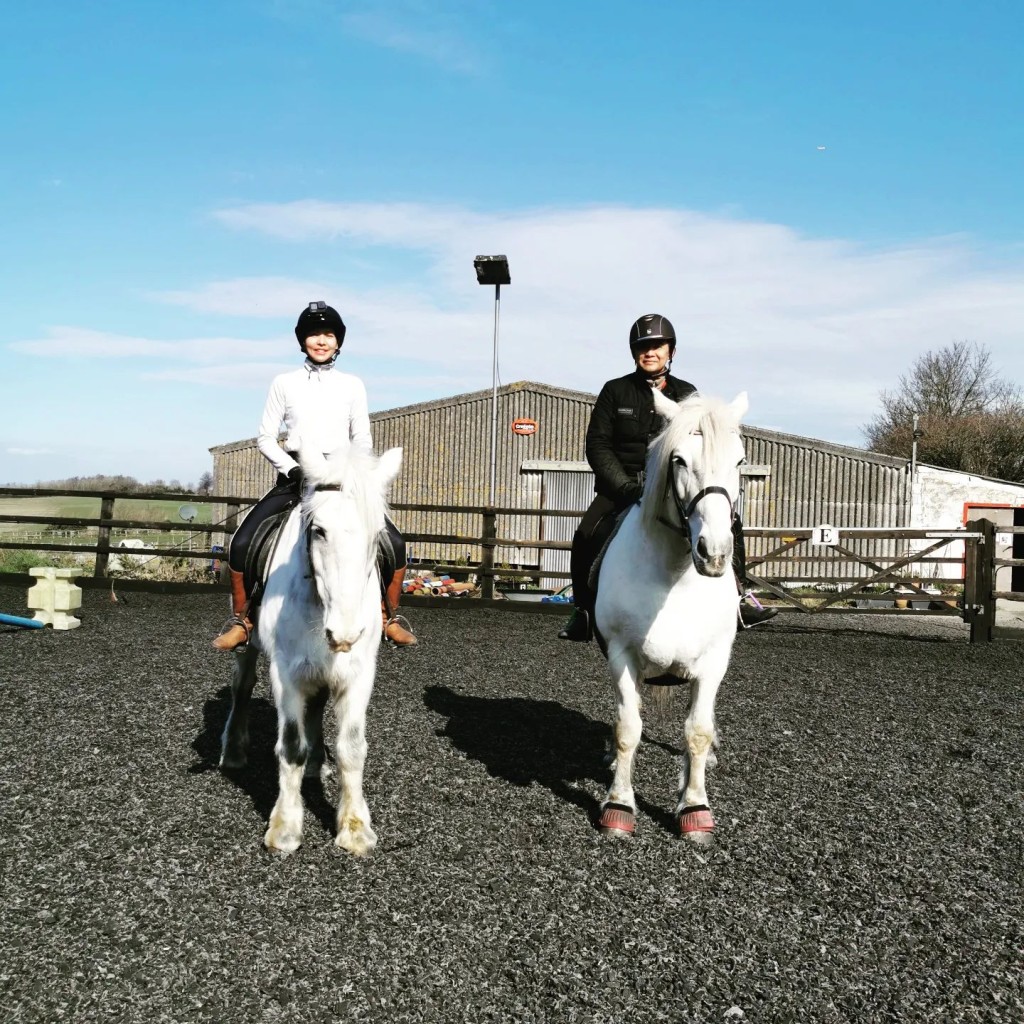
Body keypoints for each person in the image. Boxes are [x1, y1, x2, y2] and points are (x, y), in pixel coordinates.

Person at [558, 313, 777, 642]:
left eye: (657, 346)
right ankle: (584, 610)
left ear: (670, 351)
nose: (650, 352)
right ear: (634, 352)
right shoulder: (615, 392)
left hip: (676, 490)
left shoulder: (687, 394)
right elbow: (598, 445)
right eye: (643, 346)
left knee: (730, 523)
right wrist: (624, 486)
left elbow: (706, 443)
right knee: (586, 532)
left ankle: (740, 599)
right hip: (622, 490)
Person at [212, 301, 417, 650]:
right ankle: (243, 620)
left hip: (340, 477)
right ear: (302, 341)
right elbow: (264, 436)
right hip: (295, 474)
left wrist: (357, 474)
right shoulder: (284, 382)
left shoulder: (353, 385)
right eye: (313, 335)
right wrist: (290, 468)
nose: (320, 341)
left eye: (328, 335)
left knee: (394, 544)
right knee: (242, 543)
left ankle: (388, 616)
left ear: (338, 342)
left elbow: (362, 439)